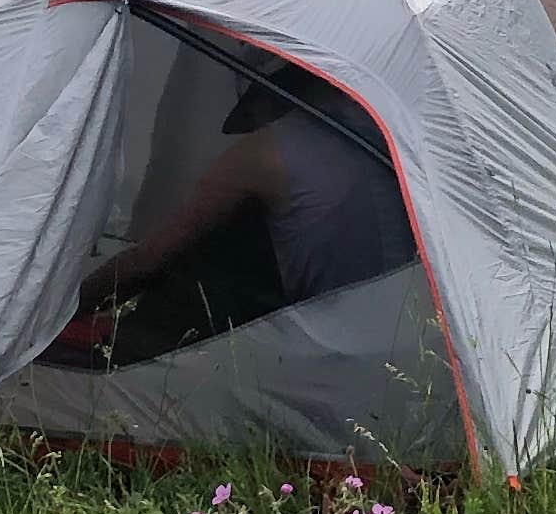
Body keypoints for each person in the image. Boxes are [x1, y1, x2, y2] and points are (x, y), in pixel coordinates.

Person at [73, 56, 416, 338]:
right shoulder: (380, 136)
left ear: (260, 98)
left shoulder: (264, 154)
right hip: (401, 335)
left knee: (208, 248)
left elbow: (148, 261)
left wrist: (68, 310)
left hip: (323, 342)